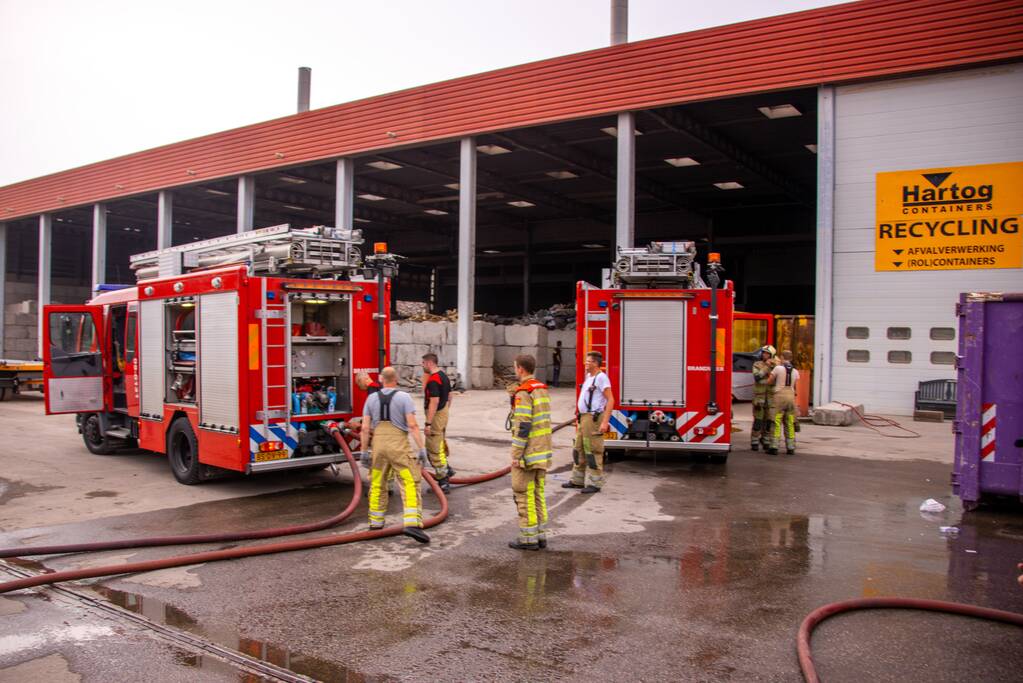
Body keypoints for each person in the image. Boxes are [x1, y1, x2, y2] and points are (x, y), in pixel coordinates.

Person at [359, 366, 430, 543]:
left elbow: (365, 428)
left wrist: (364, 451)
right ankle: (412, 524)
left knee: (377, 482)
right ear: (396, 380)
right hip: (398, 446)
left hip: (379, 446)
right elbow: (412, 425)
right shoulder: (404, 397)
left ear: (381, 380)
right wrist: (421, 449)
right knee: (409, 481)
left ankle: (375, 523)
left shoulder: (371, 399)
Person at [508, 354, 553, 550]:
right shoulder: (541, 389)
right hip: (542, 452)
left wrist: (516, 455)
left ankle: (528, 537)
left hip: (528, 453)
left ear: (520, 369)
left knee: (523, 493)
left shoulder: (524, 392)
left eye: (515, 367)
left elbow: (523, 426)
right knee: (538, 493)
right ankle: (540, 535)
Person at [564, 351, 614, 494]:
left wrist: (605, 422)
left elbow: (611, 400)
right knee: (578, 448)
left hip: (593, 419)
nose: (586, 363)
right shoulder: (589, 377)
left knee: (593, 450)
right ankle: (577, 480)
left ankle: (595, 483)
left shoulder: (601, 378)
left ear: (595, 363)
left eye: (588, 361)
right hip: (584, 418)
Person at [421, 353, 455, 492]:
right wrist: (445, 410)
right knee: (440, 444)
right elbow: (450, 395)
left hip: (436, 416)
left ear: (429, 363)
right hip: (443, 413)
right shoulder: (443, 376)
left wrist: (428, 423)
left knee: (434, 448)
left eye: (423, 363)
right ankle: (447, 470)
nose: (421, 365)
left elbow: (434, 402)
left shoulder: (433, 380)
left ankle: (443, 481)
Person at [767, 350, 800, 455]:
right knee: (789, 422)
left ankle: (774, 446)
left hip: (779, 397)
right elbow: (794, 386)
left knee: (776, 421)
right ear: (791, 358)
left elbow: (769, 381)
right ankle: (790, 447)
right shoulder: (795, 371)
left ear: (781, 357)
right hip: (790, 397)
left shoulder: (778, 368)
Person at [750, 345, 779, 451]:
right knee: (758, 421)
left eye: (767, 353)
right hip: (759, 399)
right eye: (763, 353)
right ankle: (754, 441)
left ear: (772, 355)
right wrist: (767, 367)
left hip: (770, 399)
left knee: (768, 421)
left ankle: (766, 440)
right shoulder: (757, 364)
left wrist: (775, 366)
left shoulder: (777, 367)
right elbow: (757, 378)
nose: (764, 355)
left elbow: (777, 381)